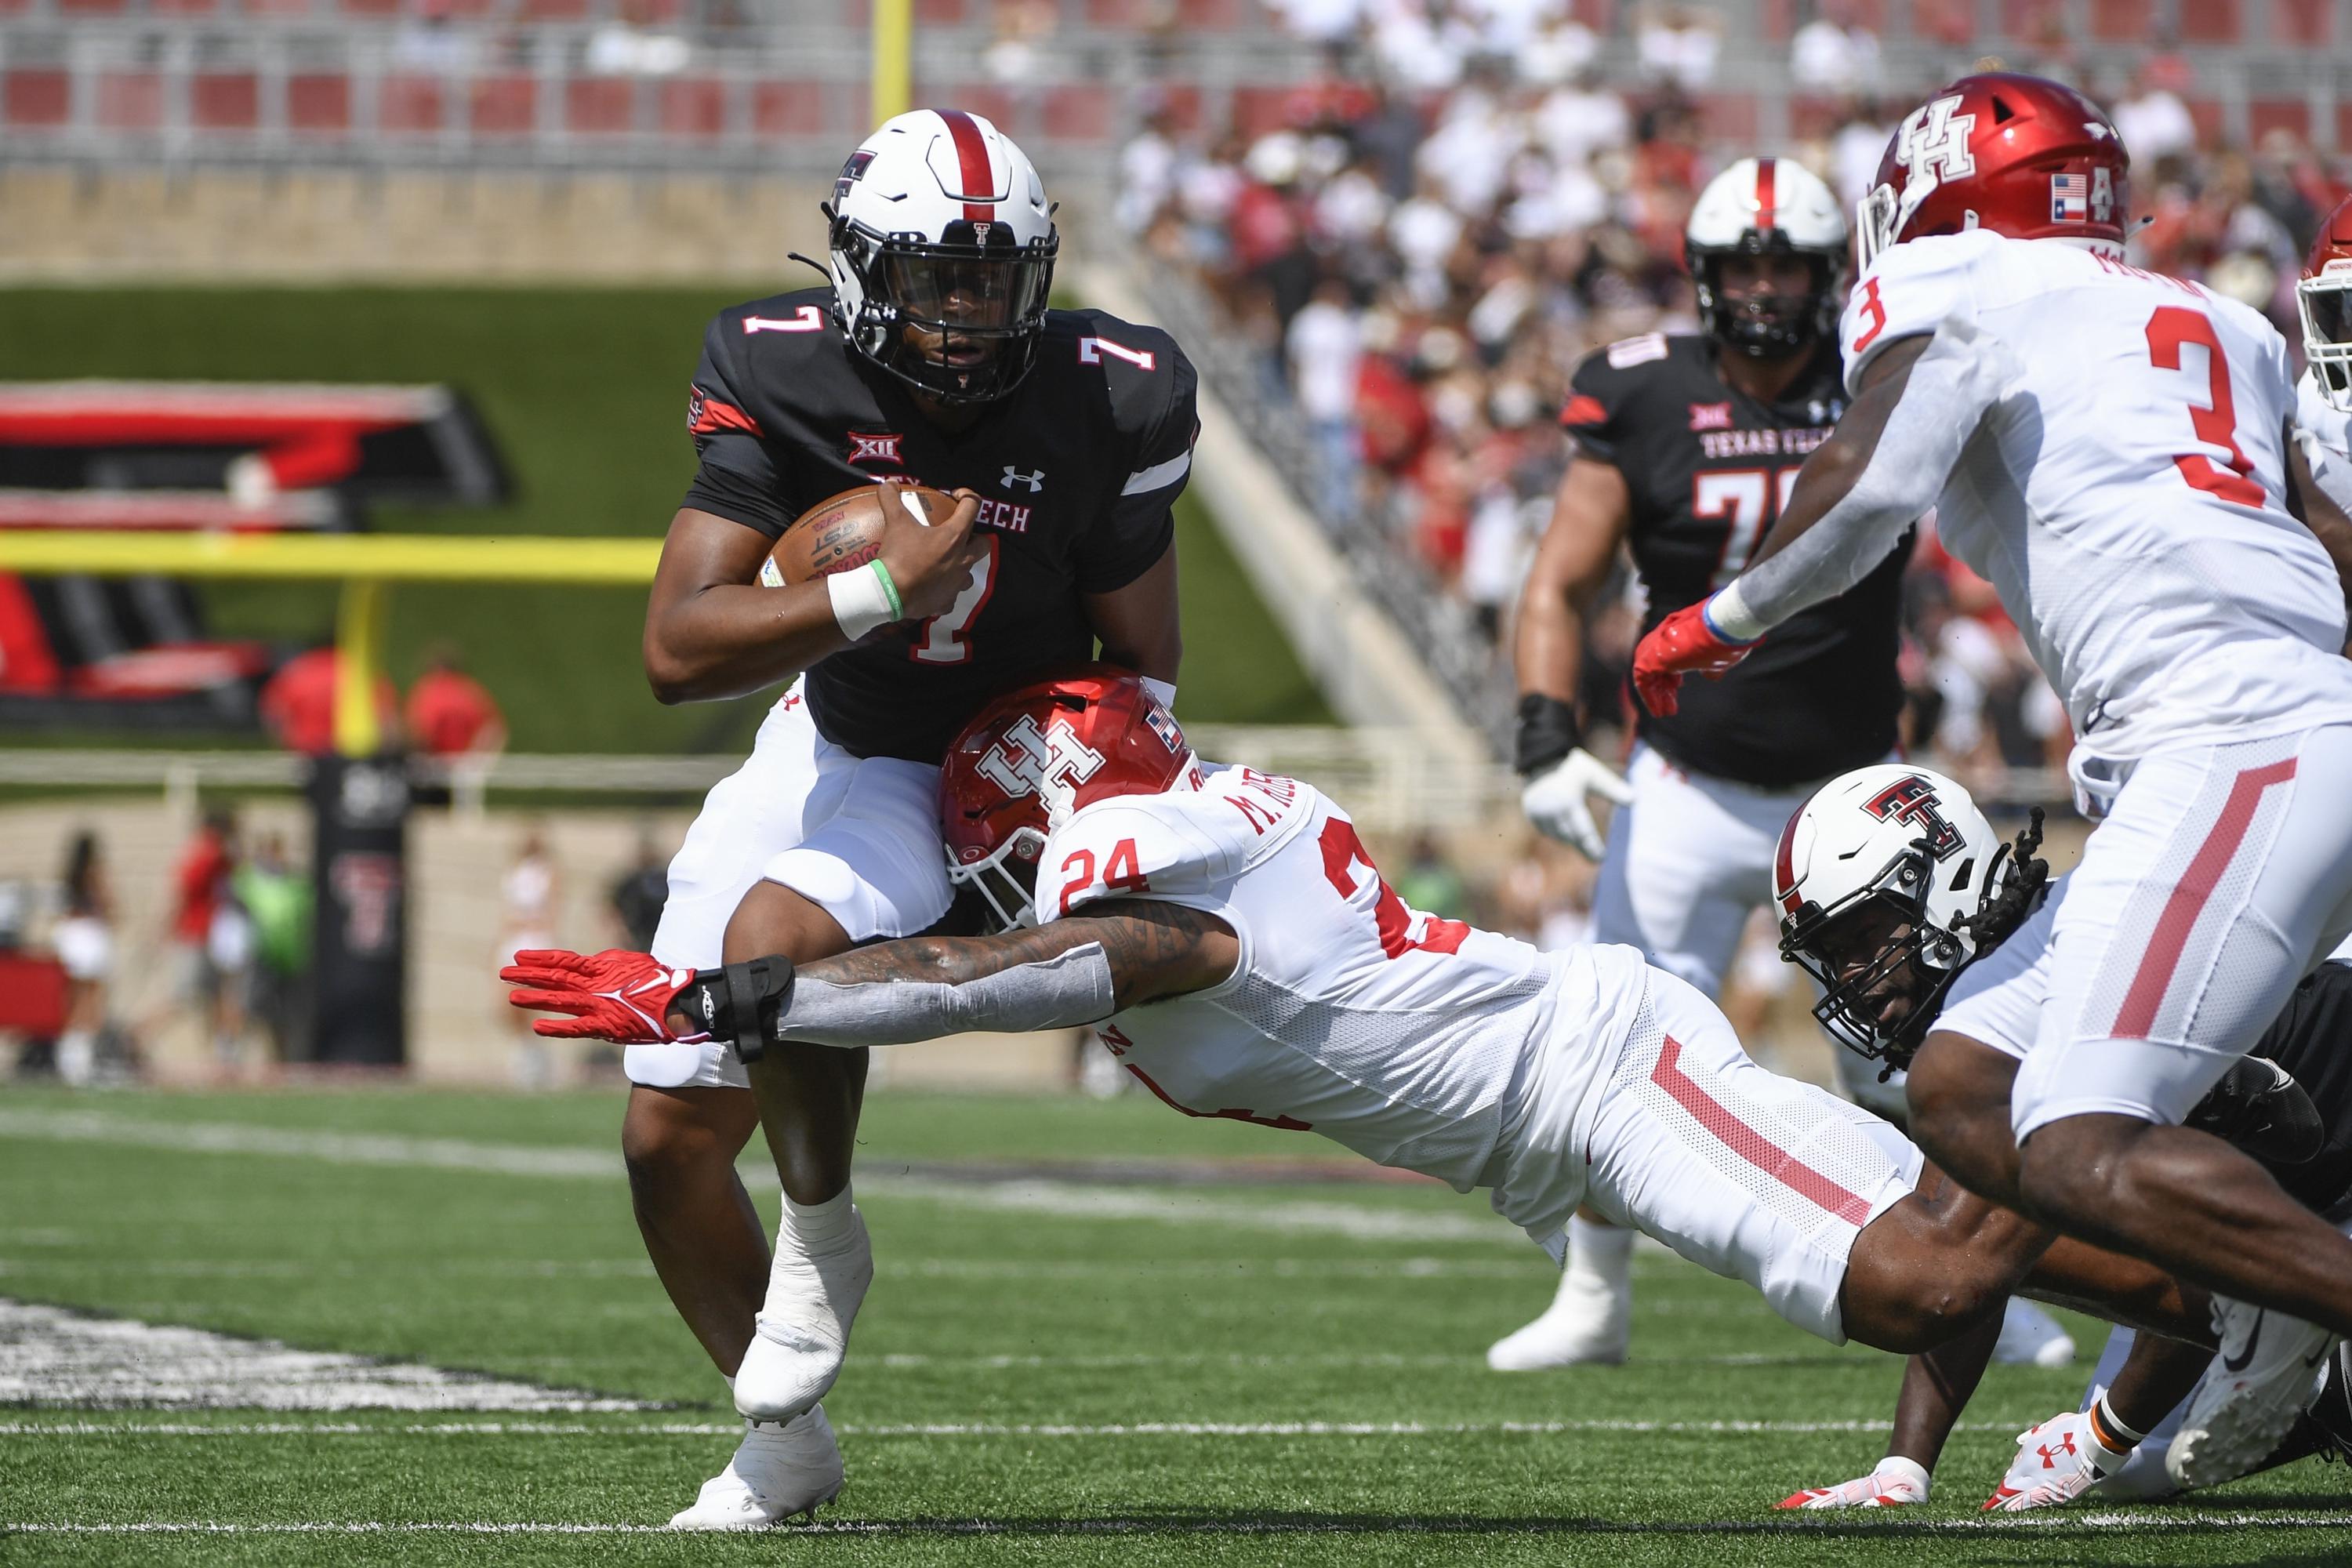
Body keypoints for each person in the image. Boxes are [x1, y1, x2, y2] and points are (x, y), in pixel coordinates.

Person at [507, 673, 2218, 1481]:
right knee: (1935, 1246)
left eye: (996, 831)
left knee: (1918, 1271)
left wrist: (737, 987)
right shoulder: (1206, 808)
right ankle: (2224, 1300)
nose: (984, 865)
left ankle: (2234, 1221)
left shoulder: (1140, 865)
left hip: (1600, 1076)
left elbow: (1019, 968)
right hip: (1574, 1098)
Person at [1630, 68, 2352, 1462]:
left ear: (1932, 192)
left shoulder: (1959, 284)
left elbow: (1875, 481)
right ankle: (2261, 1300)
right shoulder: (2220, 322)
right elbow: (2322, 540)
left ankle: (2288, 1302)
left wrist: (1722, 618)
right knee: (1963, 1080)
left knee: (2083, 1141)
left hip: (2231, 734)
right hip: (2244, 740)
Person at [625, 111, 1193, 1526]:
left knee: (769, 951)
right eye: (935, 279)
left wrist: (1065, 800)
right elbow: (677, 648)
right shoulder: (781, 366)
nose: (964, 315)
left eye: (993, 281)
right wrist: (882, 590)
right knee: (664, 1142)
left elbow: (1148, 674)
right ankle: (791, 1439)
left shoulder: (1112, 392)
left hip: (1014, 760)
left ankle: (822, 1239)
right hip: (848, 734)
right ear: (862, 269)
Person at [1498, 155, 2071, 1373]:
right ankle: (1595, 1296)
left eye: (1787, 264)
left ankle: (1992, 1282)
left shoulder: (1884, 374)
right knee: (1617, 1047)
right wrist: (1547, 733)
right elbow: (1561, 577)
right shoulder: (1642, 391)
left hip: (1857, 792)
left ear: (1830, 275)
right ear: (1704, 277)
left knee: (1919, 1068)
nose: (1763, 286)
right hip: (1685, 784)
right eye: (1743, 263)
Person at [1768, 764, 2352, 1509]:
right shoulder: (1984, 1021)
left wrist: (2103, 1434)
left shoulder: (2077, 975)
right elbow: (1970, 1238)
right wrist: (1902, 1472)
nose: (1852, 975)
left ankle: (2329, 1379)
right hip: (2279, 1216)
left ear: (1936, 883)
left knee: (2135, 1439)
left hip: (2316, 1177)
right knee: (2147, 1469)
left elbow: (2208, 1238)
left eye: (1862, 935)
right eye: (1832, 953)